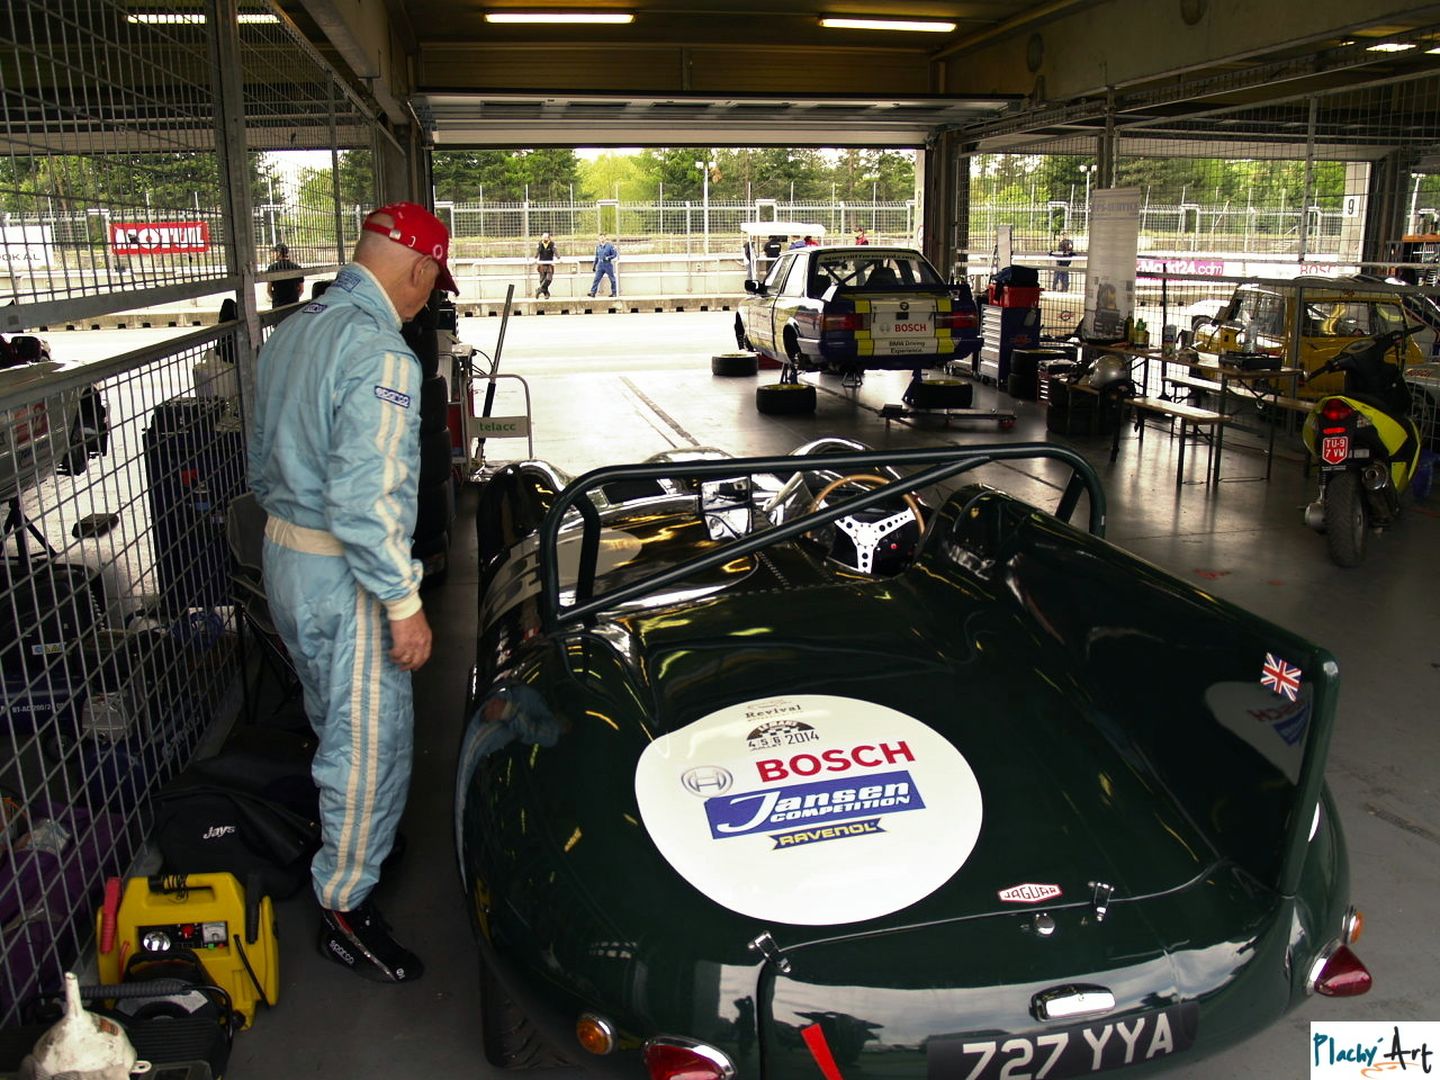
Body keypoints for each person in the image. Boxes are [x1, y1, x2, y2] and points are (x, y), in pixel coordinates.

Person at [247, 201, 458, 984]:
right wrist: (403, 603)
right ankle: (344, 905)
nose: (427, 301)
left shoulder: (293, 332)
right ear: (420, 269)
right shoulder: (382, 356)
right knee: (371, 740)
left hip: (287, 558)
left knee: (331, 716)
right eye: (432, 284)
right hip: (348, 574)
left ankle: (356, 835)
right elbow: (365, 501)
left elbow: (262, 463)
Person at [266, 243, 304, 307]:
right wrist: (294, 298)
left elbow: (268, 290)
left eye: (275, 252)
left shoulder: (272, 268)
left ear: (278, 253)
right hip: (293, 304)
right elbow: (301, 290)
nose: (273, 255)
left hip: (278, 305)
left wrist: (276, 299)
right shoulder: (297, 267)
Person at [534, 232, 557, 298]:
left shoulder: (552, 244)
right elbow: (537, 252)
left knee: (549, 279)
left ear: (548, 238)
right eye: (543, 237)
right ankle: (546, 294)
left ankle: (539, 290)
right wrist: (535, 259)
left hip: (549, 264)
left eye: (546, 237)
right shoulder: (540, 244)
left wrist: (559, 258)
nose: (544, 239)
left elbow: (555, 251)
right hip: (542, 264)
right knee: (542, 280)